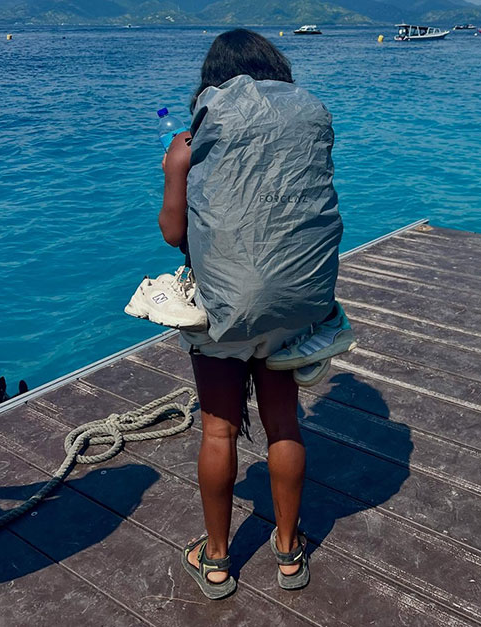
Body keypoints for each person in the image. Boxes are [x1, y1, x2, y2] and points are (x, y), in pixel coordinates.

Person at [158, 29, 350, 599]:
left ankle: (216, 561)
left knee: (218, 429)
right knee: (284, 426)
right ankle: (289, 554)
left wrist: (175, 170)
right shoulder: (298, 131)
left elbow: (174, 234)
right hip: (292, 310)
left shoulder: (196, 141)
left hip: (222, 311)